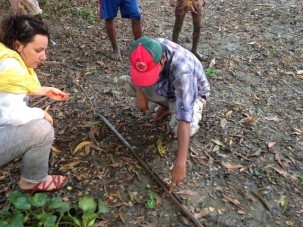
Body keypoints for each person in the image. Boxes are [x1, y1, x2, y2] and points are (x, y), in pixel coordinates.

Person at [118, 37, 210, 191]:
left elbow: (184, 120)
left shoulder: (183, 73)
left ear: (163, 59)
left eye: (150, 70)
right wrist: (140, 93)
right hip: (166, 87)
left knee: (179, 128)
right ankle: (166, 106)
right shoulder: (146, 49)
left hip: (191, 94)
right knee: (125, 83)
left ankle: (181, 107)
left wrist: (180, 163)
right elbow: (135, 73)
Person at [0, 15, 70, 193]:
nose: (44, 57)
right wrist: (40, 113)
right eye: (38, 50)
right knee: (42, 129)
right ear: (17, 45)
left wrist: (44, 90)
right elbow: (15, 115)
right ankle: (32, 181)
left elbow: (7, 88)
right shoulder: (11, 68)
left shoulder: (4, 54)